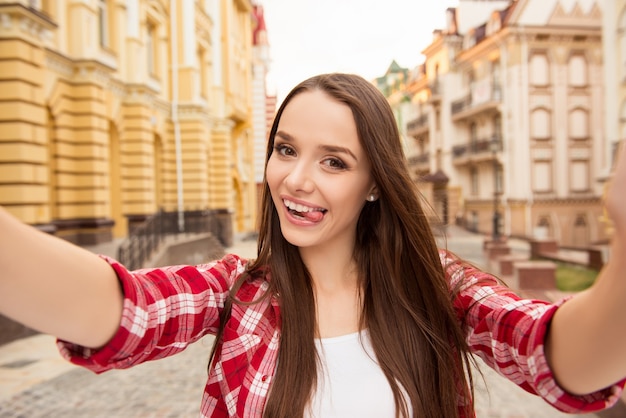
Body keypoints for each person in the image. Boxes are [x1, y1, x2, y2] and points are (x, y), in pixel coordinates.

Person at [1, 73, 625, 418]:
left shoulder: (436, 287)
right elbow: (123, 309)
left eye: (334, 161)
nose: (297, 178)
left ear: (375, 182)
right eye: (286, 149)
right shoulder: (237, 293)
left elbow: (557, 358)